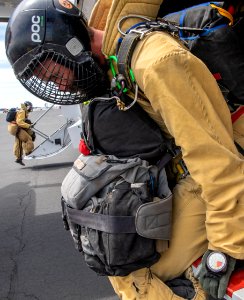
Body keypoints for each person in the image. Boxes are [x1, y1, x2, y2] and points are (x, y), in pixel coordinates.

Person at [5, 0, 243, 299]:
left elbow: (217, 160)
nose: (61, 87)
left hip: (221, 172)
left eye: (55, 76)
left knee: (138, 274)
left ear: (71, 45)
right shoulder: (114, 61)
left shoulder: (155, 62)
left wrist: (224, 250)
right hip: (186, 171)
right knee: (116, 255)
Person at [7, 101, 35, 166]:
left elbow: (20, 121)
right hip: (15, 127)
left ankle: (18, 158)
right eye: (30, 107)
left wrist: (28, 124)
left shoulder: (22, 111)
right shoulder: (22, 111)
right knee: (27, 138)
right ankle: (28, 152)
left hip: (12, 127)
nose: (31, 108)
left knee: (18, 142)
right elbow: (19, 122)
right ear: (27, 106)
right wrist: (29, 126)